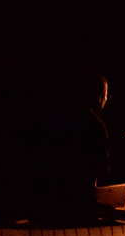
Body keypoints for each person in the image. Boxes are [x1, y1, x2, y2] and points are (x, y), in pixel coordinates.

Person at [34, 73, 114, 224]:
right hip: (81, 204)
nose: (106, 100)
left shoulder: (62, 120)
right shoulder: (96, 126)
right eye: (106, 96)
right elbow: (103, 170)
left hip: (53, 200)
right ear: (100, 97)